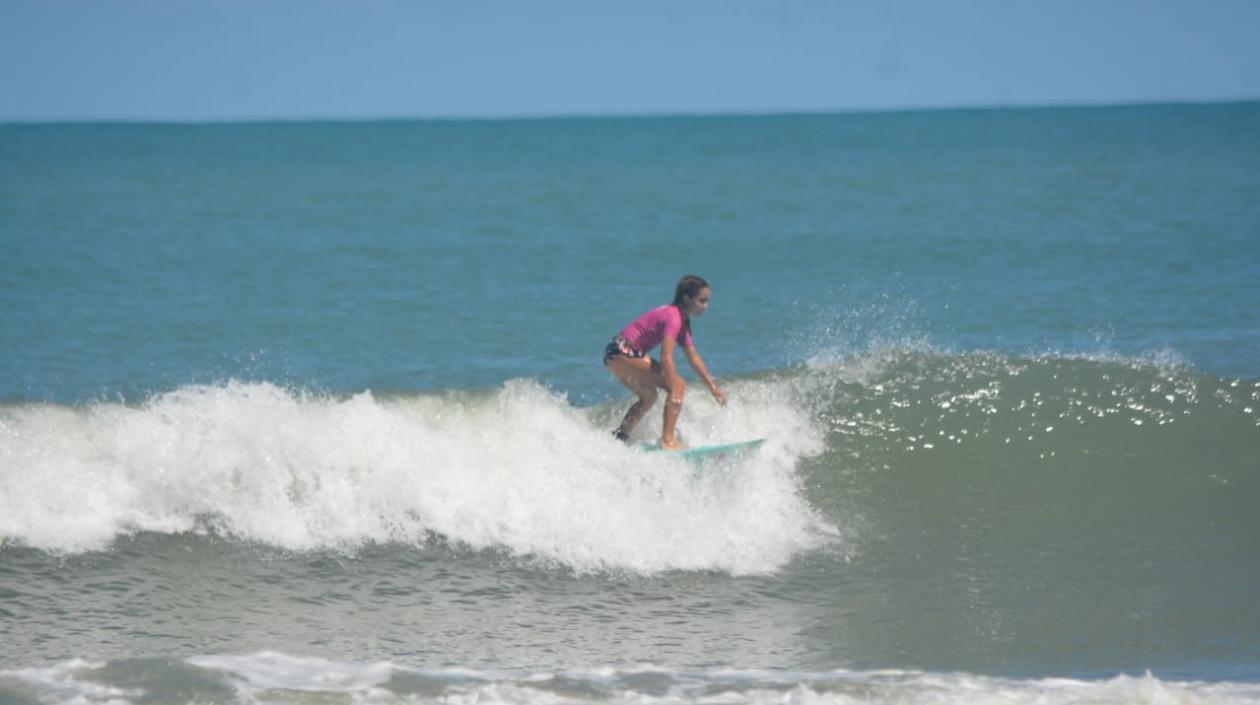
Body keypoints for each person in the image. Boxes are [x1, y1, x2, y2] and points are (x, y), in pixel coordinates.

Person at [603, 275, 727, 449]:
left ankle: (620, 437)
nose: (705, 307)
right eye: (702, 301)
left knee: (649, 396)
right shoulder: (674, 317)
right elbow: (666, 355)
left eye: (707, 301)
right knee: (678, 384)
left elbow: (693, 357)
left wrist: (712, 387)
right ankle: (667, 441)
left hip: (613, 354)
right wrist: (674, 383)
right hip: (623, 351)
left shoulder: (683, 322)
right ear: (687, 298)